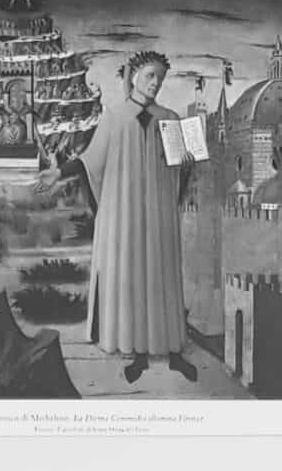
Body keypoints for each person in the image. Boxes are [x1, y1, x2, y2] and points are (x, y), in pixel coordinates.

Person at [80, 50, 198, 385]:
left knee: (163, 275)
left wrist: (185, 169)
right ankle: (138, 353)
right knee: (133, 276)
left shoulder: (170, 118)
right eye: (150, 76)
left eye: (160, 77)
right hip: (127, 214)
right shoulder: (115, 117)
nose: (155, 83)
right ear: (134, 77)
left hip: (160, 214)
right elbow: (91, 161)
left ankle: (171, 350)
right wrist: (57, 173)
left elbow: (183, 170)